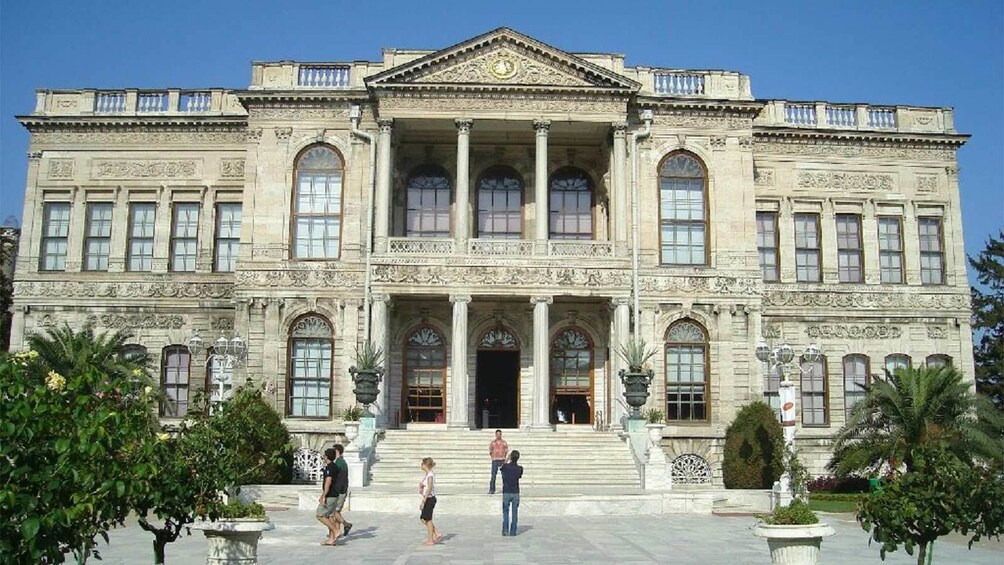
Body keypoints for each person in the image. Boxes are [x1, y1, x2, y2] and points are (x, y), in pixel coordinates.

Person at [315, 448, 340, 546]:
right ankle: (331, 539)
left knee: (320, 515)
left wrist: (323, 496)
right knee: (329, 516)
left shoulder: (330, 468)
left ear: (327, 456)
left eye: (324, 455)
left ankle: (335, 530)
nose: (323, 457)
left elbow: (328, 482)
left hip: (330, 495)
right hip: (335, 495)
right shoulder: (335, 466)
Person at [331, 444, 353, 539]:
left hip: (340, 491)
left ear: (337, 451)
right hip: (342, 490)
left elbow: (339, 479)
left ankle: (346, 524)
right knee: (337, 512)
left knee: (334, 511)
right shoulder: (341, 462)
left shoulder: (339, 463)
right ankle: (337, 531)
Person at [419, 457, 442, 546]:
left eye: (422, 464)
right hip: (427, 498)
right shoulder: (427, 475)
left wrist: (423, 502)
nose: (421, 465)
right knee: (423, 518)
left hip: (429, 499)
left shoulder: (430, 475)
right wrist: (421, 489)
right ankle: (436, 532)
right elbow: (425, 488)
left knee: (428, 519)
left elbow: (429, 488)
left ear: (425, 465)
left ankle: (430, 540)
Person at [500, 450, 523, 537]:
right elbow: (519, 476)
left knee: (505, 512)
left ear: (511, 457)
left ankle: (505, 530)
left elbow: (501, 468)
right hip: (515, 492)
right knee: (514, 512)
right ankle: (513, 531)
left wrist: (506, 459)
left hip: (506, 491)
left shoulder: (506, 467)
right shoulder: (520, 468)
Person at [487, 429, 508, 494]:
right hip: (495, 460)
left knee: (504, 476)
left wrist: (504, 457)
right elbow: (490, 450)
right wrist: (493, 457)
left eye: (500, 434)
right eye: (497, 434)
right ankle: (492, 489)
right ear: (495, 435)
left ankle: (505, 489)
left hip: (502, 460)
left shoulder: (504, 442)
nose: (498, 435)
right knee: (493, 476)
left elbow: (506, 450)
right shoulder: (493, 442)